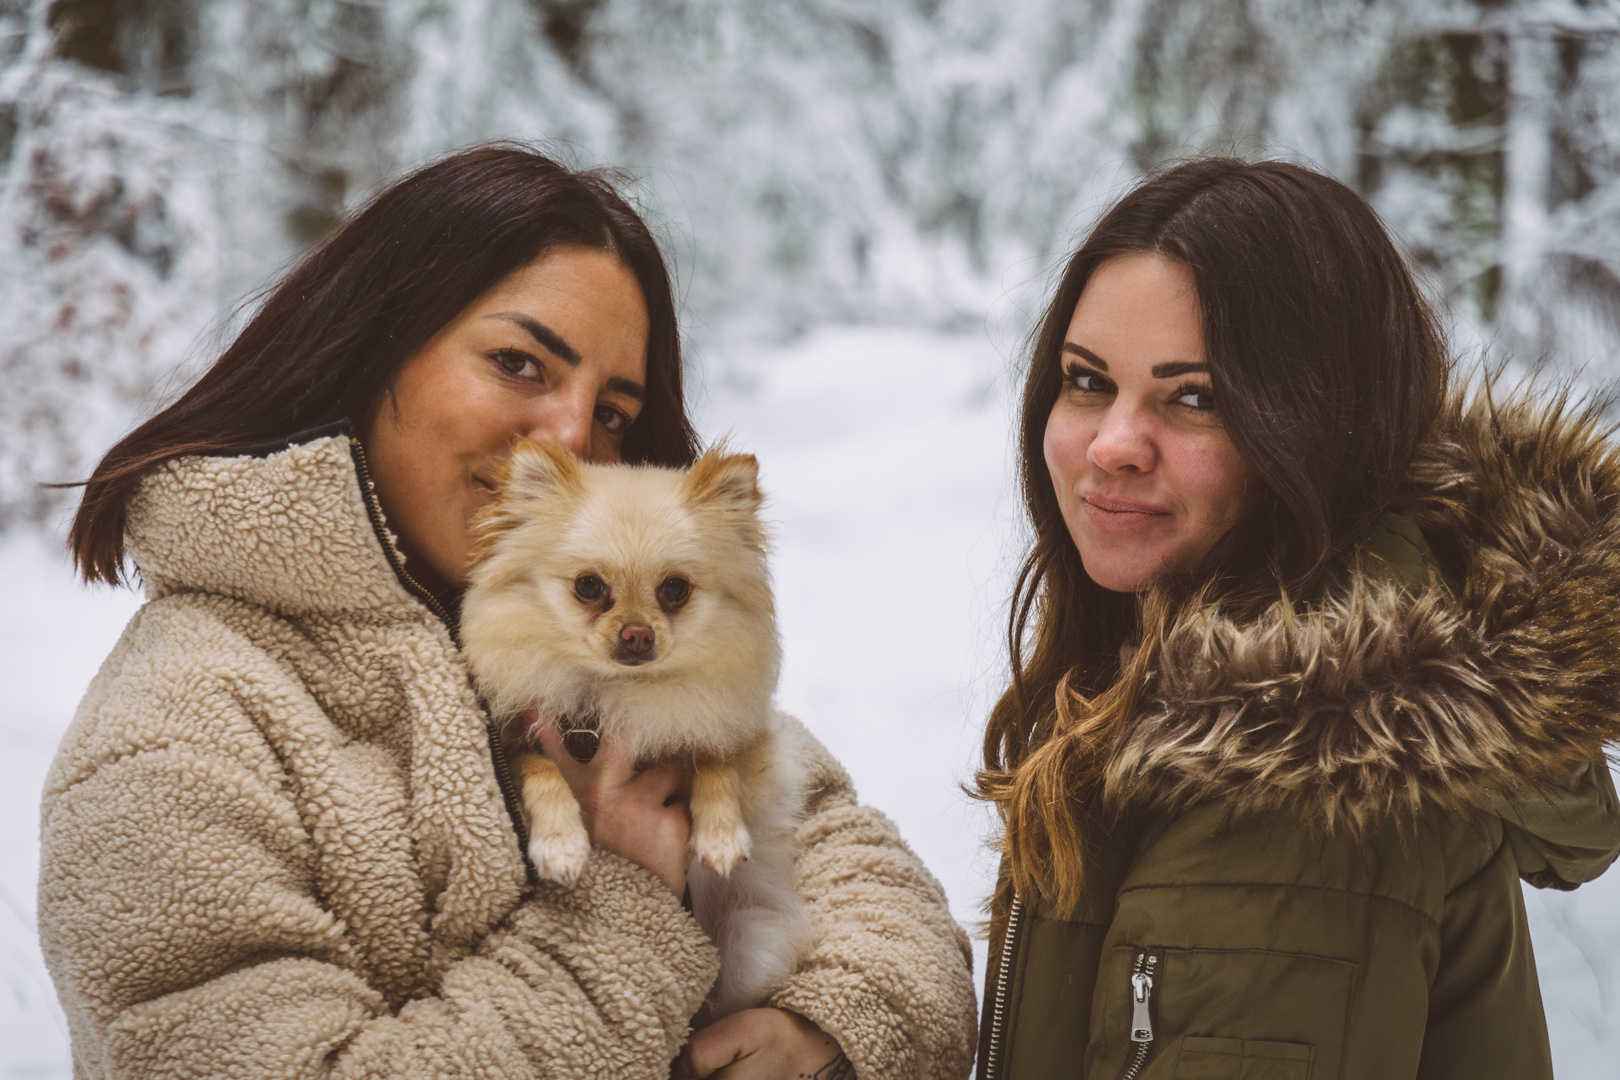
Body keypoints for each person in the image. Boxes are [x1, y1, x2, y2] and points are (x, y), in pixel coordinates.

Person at [39, 145, 978, 1080]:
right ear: (370, 344)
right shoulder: (179, 725)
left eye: (613, 411)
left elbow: (868, 878)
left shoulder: (589, 636)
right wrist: (619, 910)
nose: (573, 437)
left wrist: (830, 1030)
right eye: (520, 364)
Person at [973, 158, 1620, 1079]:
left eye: (1192, 396)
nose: (1111, 444)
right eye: (1086, 381)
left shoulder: (1295, 793)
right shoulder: (1192, 699)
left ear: (1315, 428)